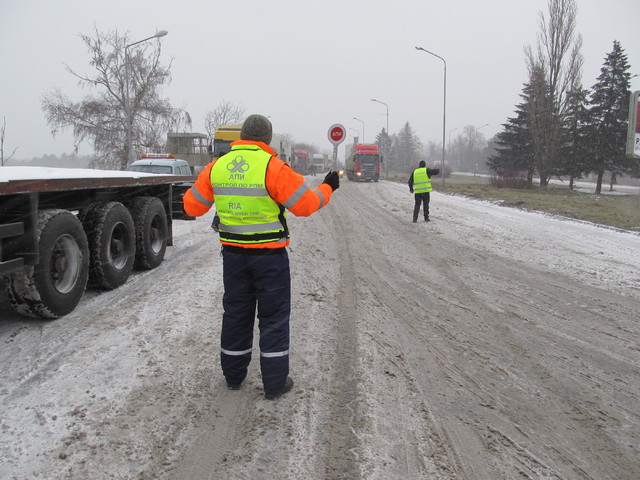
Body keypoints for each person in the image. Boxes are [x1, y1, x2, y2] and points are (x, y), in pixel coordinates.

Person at [183, 114, 340, 400]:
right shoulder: (274, 168)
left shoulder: (217, 167)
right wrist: (328, 187)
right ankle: (275, 383)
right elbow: (305, 205)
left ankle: (233, 376)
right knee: (274, 318)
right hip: (269, 257)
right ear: (267, 139)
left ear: (240, 137)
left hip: (232, 256)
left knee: (236, 314)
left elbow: (192, 206)